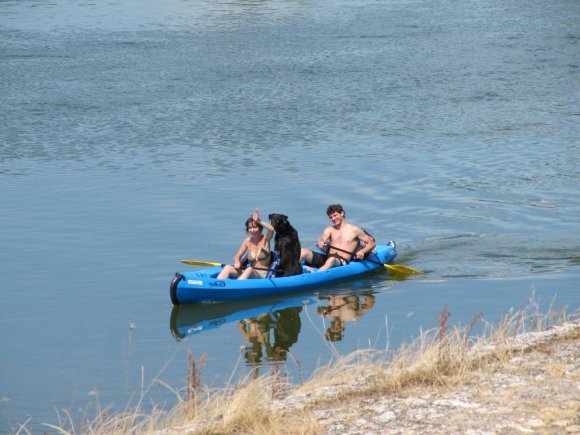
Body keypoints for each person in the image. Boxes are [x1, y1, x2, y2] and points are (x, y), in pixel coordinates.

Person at [300, 204, 376, 271]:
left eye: (335, 215)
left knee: (331, 260)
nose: (333, 219)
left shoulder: (354, 230)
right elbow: (323, 238)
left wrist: (362, 252)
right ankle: (289, 272)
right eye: (331, 217)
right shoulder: (329, 229)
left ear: (342, 213)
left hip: (341, 261)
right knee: (303, 251)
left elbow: (371, 243)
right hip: (327, 257)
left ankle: (314, 277)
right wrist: (321, 242)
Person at [217, 209, 275, 279]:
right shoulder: (247, 241)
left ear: (260, 228)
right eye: (250, 228)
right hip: (248, 272)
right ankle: (217, 285)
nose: (252, 230)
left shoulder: (266, 239)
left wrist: (258, 221)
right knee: (227, 267)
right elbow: (237, 256)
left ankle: (236, 286)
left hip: (262, 275)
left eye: (255, 227)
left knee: (249, 269)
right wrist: (237, 262)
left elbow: (271, 229)